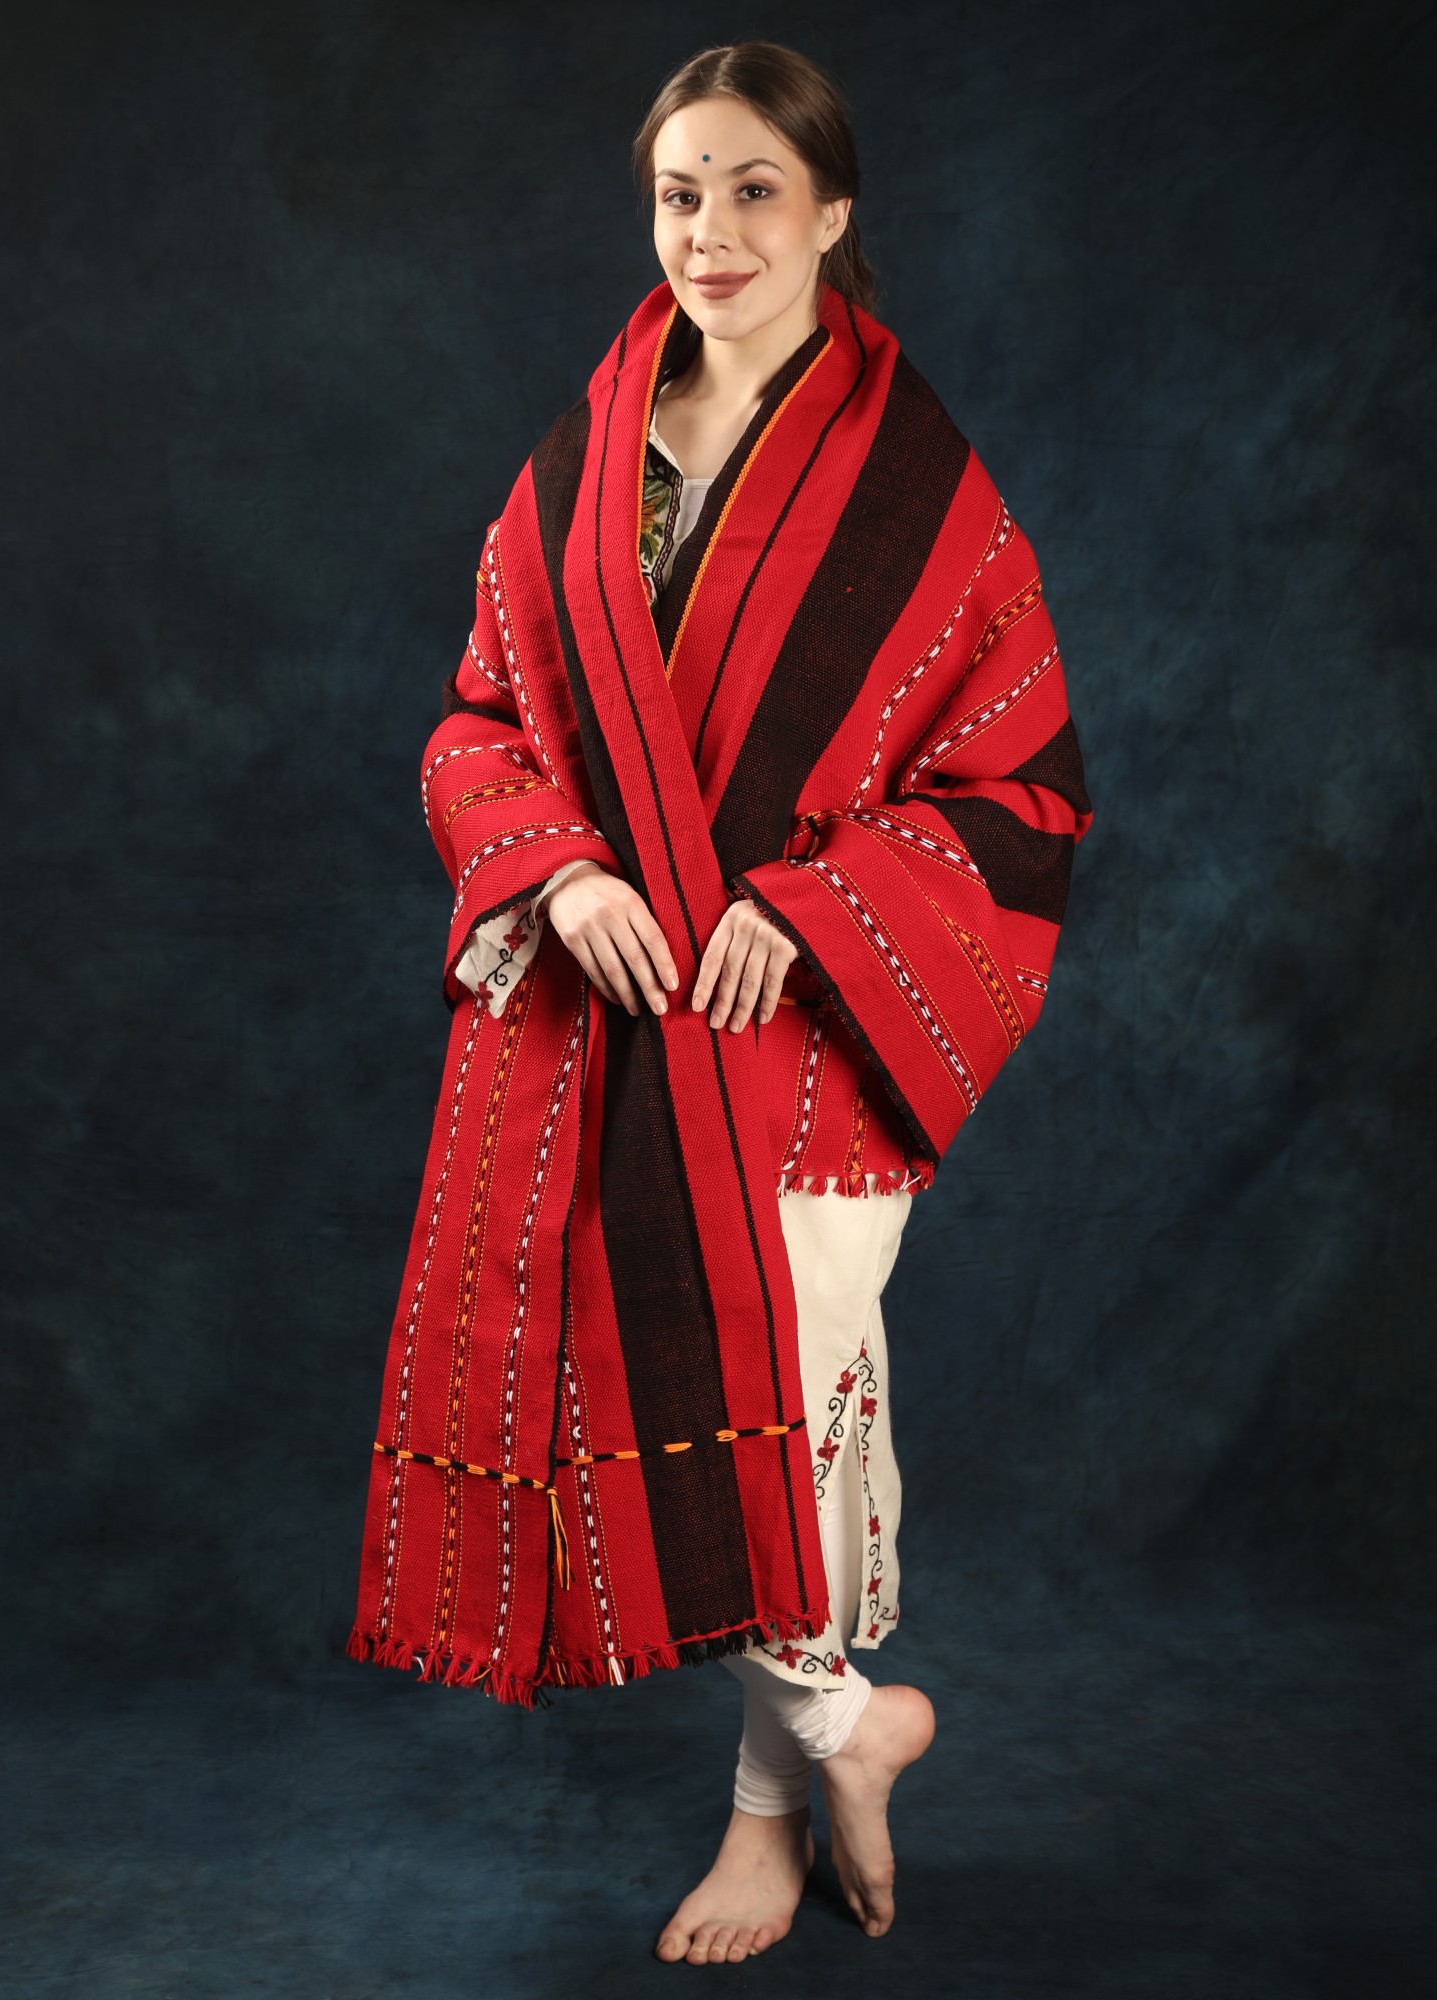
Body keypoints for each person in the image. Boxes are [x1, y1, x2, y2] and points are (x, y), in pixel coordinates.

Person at [346, 36, 1092, 1972]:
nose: (713, 231)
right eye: (682, 193)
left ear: (833, 214)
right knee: (654, 1390)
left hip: (809, 1034)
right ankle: (847, 1733)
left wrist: (815, 903)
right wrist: (564, 873)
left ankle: (774, 1807)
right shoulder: (583, 458)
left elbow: (1016, 786)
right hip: (615, 1020)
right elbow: (480, 721)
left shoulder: (923, 487)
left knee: (792, 1412)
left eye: (756, 189)